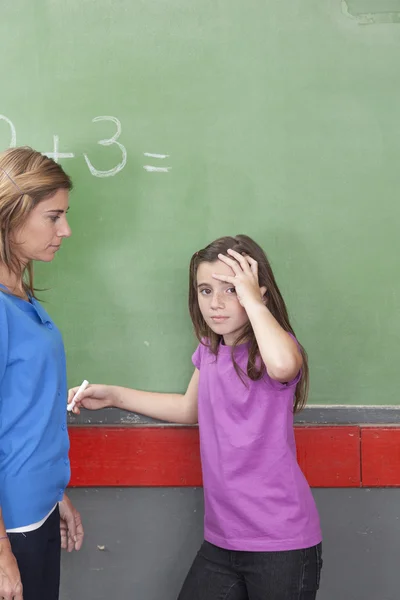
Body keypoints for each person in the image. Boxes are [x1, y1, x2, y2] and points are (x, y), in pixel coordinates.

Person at [70, 234, 322, 600]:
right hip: (222, 539)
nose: (215, 304)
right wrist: (114, 396)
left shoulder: (274, 350)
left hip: (280, 542)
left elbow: (283, 365)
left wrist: (251, 298)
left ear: (259, 293)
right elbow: (190, 409)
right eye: (205, 291)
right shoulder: (210, 349)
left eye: (230, 290)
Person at [0, 147, 84, 600]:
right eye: (53, 217)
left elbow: (23, 414)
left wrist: (53, 493)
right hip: (11, 524)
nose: (65, 230)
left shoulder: (22, 299)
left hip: (35, 508)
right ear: (11, 216)